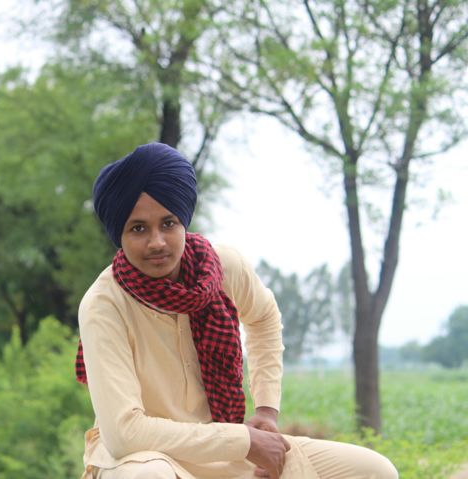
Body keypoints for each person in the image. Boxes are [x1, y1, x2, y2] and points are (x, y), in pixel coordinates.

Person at [75, 143, 398, 479]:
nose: (156, 242)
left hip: (224, 449)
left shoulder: (222, 267)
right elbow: (125, 434)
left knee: (375, 471)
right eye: (138, 228)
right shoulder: (104, 305)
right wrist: (244, 441)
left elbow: (264, 317)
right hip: (141, 460)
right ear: (120, 235)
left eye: (168, 223)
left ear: (183, 222)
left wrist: (267, 410)